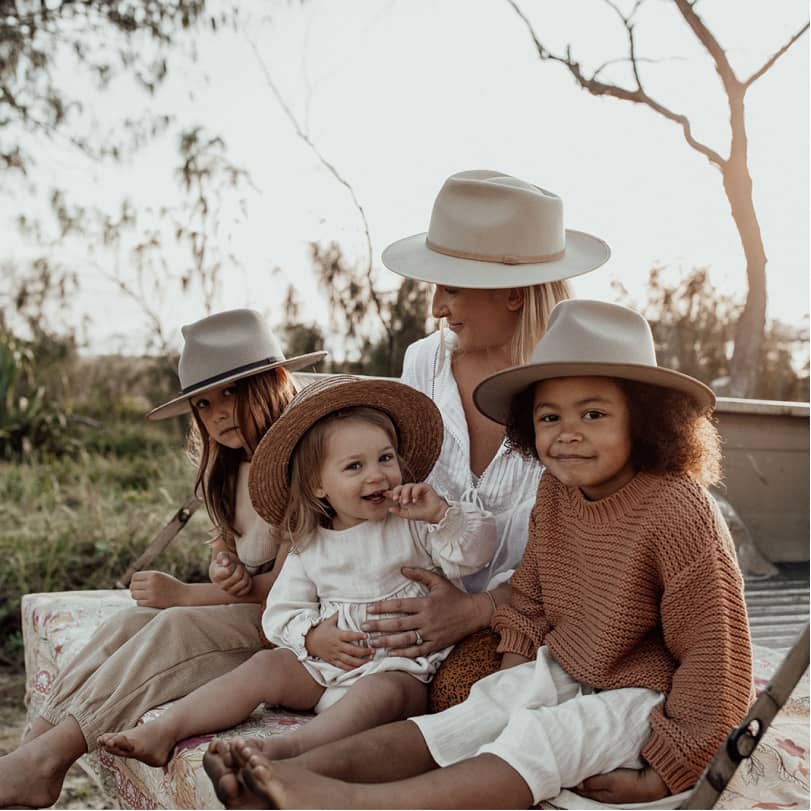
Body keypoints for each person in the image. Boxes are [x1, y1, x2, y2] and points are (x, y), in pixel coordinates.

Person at [204, 300, 754, 810]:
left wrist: (672, 767)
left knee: (542, 738)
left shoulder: (680, 511)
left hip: (650, 695)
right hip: (570, 665)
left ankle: (352, 804)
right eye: (548, 417)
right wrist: (508, 686)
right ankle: (288, 763)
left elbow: (715, 657)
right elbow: (533, 595)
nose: (567, 435)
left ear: (647, 418)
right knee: (470, 719)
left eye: (593, 415)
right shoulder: (558, 492)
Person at [0, 308, 326, 809]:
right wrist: (224, 563)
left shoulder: (298, 464)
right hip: (249, 612)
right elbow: (230, 541)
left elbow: (282, 597)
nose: (217, 413)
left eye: (232, 392)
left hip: (291, 628)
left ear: (275, 381)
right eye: (204, 402)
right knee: (129, 623)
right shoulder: (230, 465)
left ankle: (49, 758)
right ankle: (34, 753)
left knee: (172, 626)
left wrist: (187, 593)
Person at [97, 375, 497, 767]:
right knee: (265, 666)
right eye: (354, 466)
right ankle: (166, 730)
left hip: (401, 669)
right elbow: (278, 613)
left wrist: (443, 514)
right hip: (323, 668)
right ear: (318, 485)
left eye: (385, 458)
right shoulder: (311, 544)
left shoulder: (414, 524)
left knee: (386, 692)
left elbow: (475, 553)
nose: (376, 474)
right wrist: (312, 636)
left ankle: (293, 748)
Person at [365, 169, 612, 711]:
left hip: (540, 617)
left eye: (450, 286)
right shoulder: (422, 364)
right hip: (421, 601)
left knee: (461, 697)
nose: (436, 307)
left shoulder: (577, 399)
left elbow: (586, 552)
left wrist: (476, 613)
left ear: (512, 295)